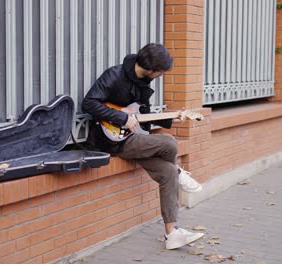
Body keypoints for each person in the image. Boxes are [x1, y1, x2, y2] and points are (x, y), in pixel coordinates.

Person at [82, 43, 204, 249]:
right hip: (110, 139)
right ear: (151, 69)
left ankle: (172, 234)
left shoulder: (143, 84)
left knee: (167, 173)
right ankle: (179, 171)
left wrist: (174, 117)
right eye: (161, 72)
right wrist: (121, 117)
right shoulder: (114, 75)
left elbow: (143, 118)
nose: (161, 75)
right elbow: (89, 103)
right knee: (169, 142)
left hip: (134, 137)